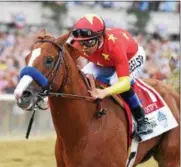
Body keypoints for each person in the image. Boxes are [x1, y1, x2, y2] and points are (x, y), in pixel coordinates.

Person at [67, 13, 153, 135]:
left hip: (131, 57)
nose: (84, 48)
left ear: (100, 38)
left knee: (115, 82)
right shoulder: (77, 45)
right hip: (103, 60)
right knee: (82, 76)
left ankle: (142, 120)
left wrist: (104, 92)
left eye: (89, 42)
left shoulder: (115, 47)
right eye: (81, 43)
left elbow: (124, 84)